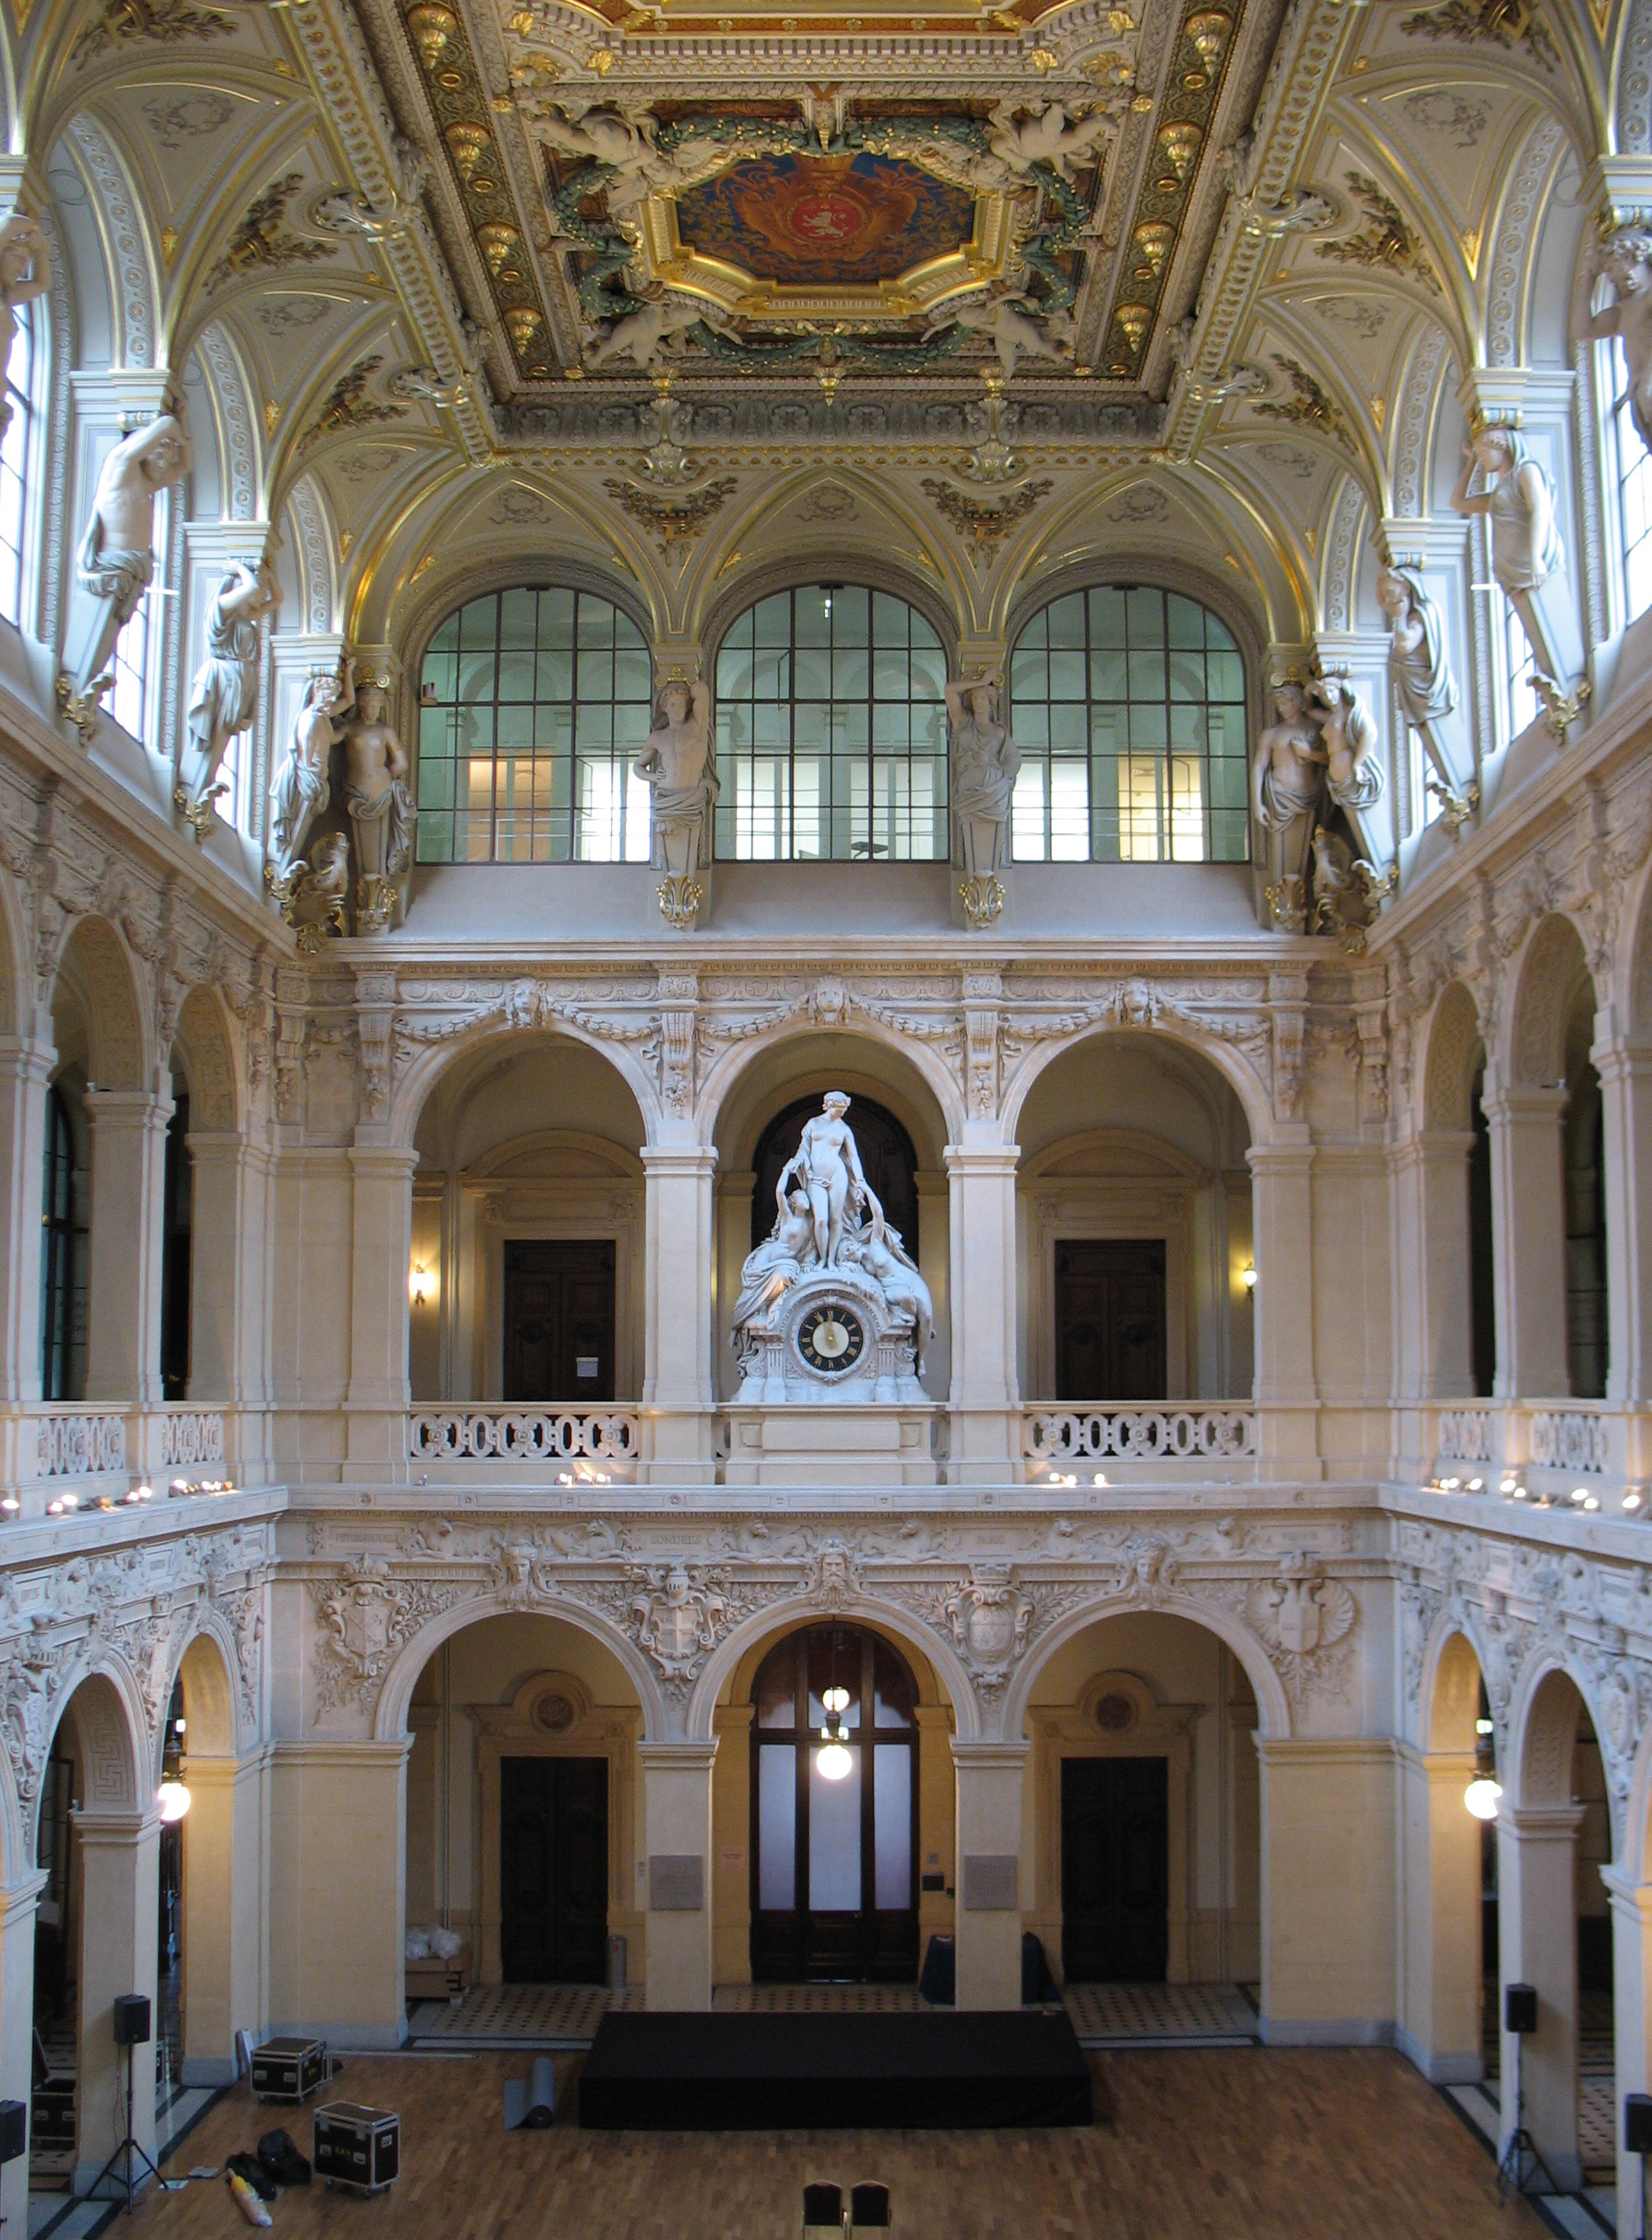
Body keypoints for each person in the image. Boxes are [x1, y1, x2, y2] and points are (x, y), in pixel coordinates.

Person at [72, 409, 192, 696]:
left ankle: (82, 690)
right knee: (92, 641)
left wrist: (181, 435)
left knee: (106, 641)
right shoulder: (120, 466)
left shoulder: (147, 484)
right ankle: (76, 688)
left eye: (168, 457)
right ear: (142, 446)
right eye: (160, 453)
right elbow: (166, 424)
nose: (164, 463)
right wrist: (175, 424)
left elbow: (185, 465)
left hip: (131, 575)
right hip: (111, 570)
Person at [1449, 425, 1567, 686]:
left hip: (1531, 567)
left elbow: (1540, 510)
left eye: (1483, 453)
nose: (1482, 459)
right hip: (1512, 574)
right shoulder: (1497, 495)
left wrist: (1535, 556)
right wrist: (1471, 462)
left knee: (1553, 634)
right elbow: (1458, 502)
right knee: (1538, 636)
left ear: (1501, 446)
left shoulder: (1526, 471)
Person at [179, 560, 282, 805]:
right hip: (225, 679)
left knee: (224, 731)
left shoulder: (247, 615)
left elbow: (279, 599)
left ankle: (199, 789)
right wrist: (241, 567)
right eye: (262, 588)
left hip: (241, 679)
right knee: (216, 732)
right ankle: (195, 790)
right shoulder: (223, 605)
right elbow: (251, 587)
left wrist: (269, 576)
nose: (264, 592)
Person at [1376, 563, 1459, 795]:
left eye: (1390, 592)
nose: (1387, 600)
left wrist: (1399, 616)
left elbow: (1405, 644)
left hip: (1426, 686)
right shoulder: (1411, 611)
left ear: (1406, 588)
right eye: (1384, 595)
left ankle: (1458, 783)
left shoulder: (1421, 615)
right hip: (1414, 685)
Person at [269, 658, 354, 882]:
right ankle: (281, 868)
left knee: (303, 822)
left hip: (318, 779)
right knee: (297, 826)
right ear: (315, 693)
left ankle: (283, 868)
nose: (331, 700)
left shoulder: (323, 716)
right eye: (327, 696)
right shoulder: (310, 719)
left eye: (333, 696)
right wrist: (309, 774)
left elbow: (348, 701)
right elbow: (306, 753)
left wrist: (349, 671)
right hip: (309, 778)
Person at [778, 1092, 880, 1270]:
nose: (842, 1113)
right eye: (838, 1109)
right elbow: (804, 1148)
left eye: (843, 1110)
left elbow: (853, 1156)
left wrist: (860, 1179)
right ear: (828, 1105)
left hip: (837, 1175)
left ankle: (831, 1261)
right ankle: (821, 1258)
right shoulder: (813, 1123)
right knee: (821, 1220)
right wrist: (796, 1161)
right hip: (815, 1176)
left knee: (836, 1218)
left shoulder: (844, 1129)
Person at [946, 671, 1021, 880]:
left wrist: (1003, 779)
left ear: (990, 702)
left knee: (988, 848)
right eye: (975, 698)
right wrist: (979, 681)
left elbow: (1014, 759)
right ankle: (978, 880)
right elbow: (949, 690)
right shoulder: (962, 722)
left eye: (983, 697)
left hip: (993, 787)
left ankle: (985, 881)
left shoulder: (999, 732)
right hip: (968, 787)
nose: (979, 701)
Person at [343, 681, 411, 892]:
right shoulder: (350, 728)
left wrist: (385, 776)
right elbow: (330, 737)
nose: (374, 710)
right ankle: (368, 887)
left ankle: (377, 887)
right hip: (356, 789)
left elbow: (401, 762)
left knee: (379, 841)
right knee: (361, 842)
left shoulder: (385, 730)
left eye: (377, 706)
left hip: (380, 790)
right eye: (370, 705)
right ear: (361, 705)